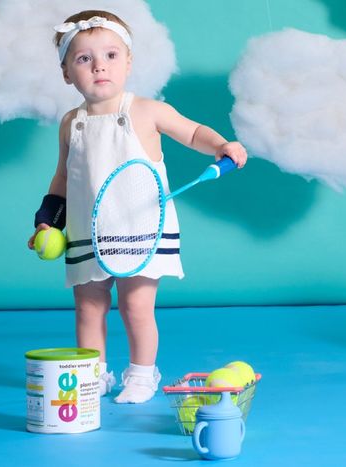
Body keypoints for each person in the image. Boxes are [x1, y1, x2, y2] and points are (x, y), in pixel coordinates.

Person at [28, 10, 248, 404]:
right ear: (66, 73)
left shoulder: (146, 110)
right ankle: (92, 374)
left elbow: (193, 131)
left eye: (111, 55)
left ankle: (142, 375)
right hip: (87, 233)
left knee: (135, 305)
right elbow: (62, 180)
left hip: (141, 229)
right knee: (88, 307)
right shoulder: (70, 123)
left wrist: (220, 147)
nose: (99, 66)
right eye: (84, 59)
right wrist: (47, 222)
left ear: (128, 63)